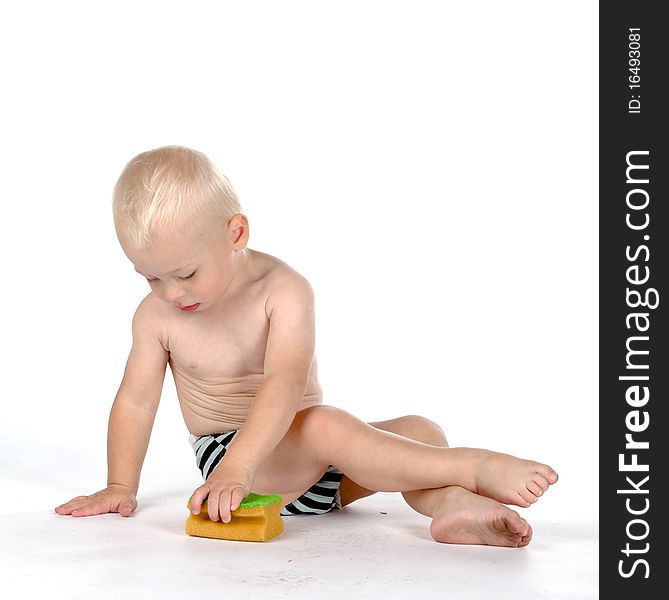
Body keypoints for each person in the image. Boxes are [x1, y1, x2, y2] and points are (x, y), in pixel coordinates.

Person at [55, 145, 558, 547]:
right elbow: (136, 400)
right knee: (322, 424)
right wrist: (121, 486)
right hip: (236, 467)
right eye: (150, 278)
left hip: (310, 467)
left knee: (419, 430)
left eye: (185, 273)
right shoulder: (157, 318)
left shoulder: (284, 290)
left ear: (236, 232)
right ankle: (473, 466)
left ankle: (449, 505)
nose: (171, 293)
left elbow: (286, 381)